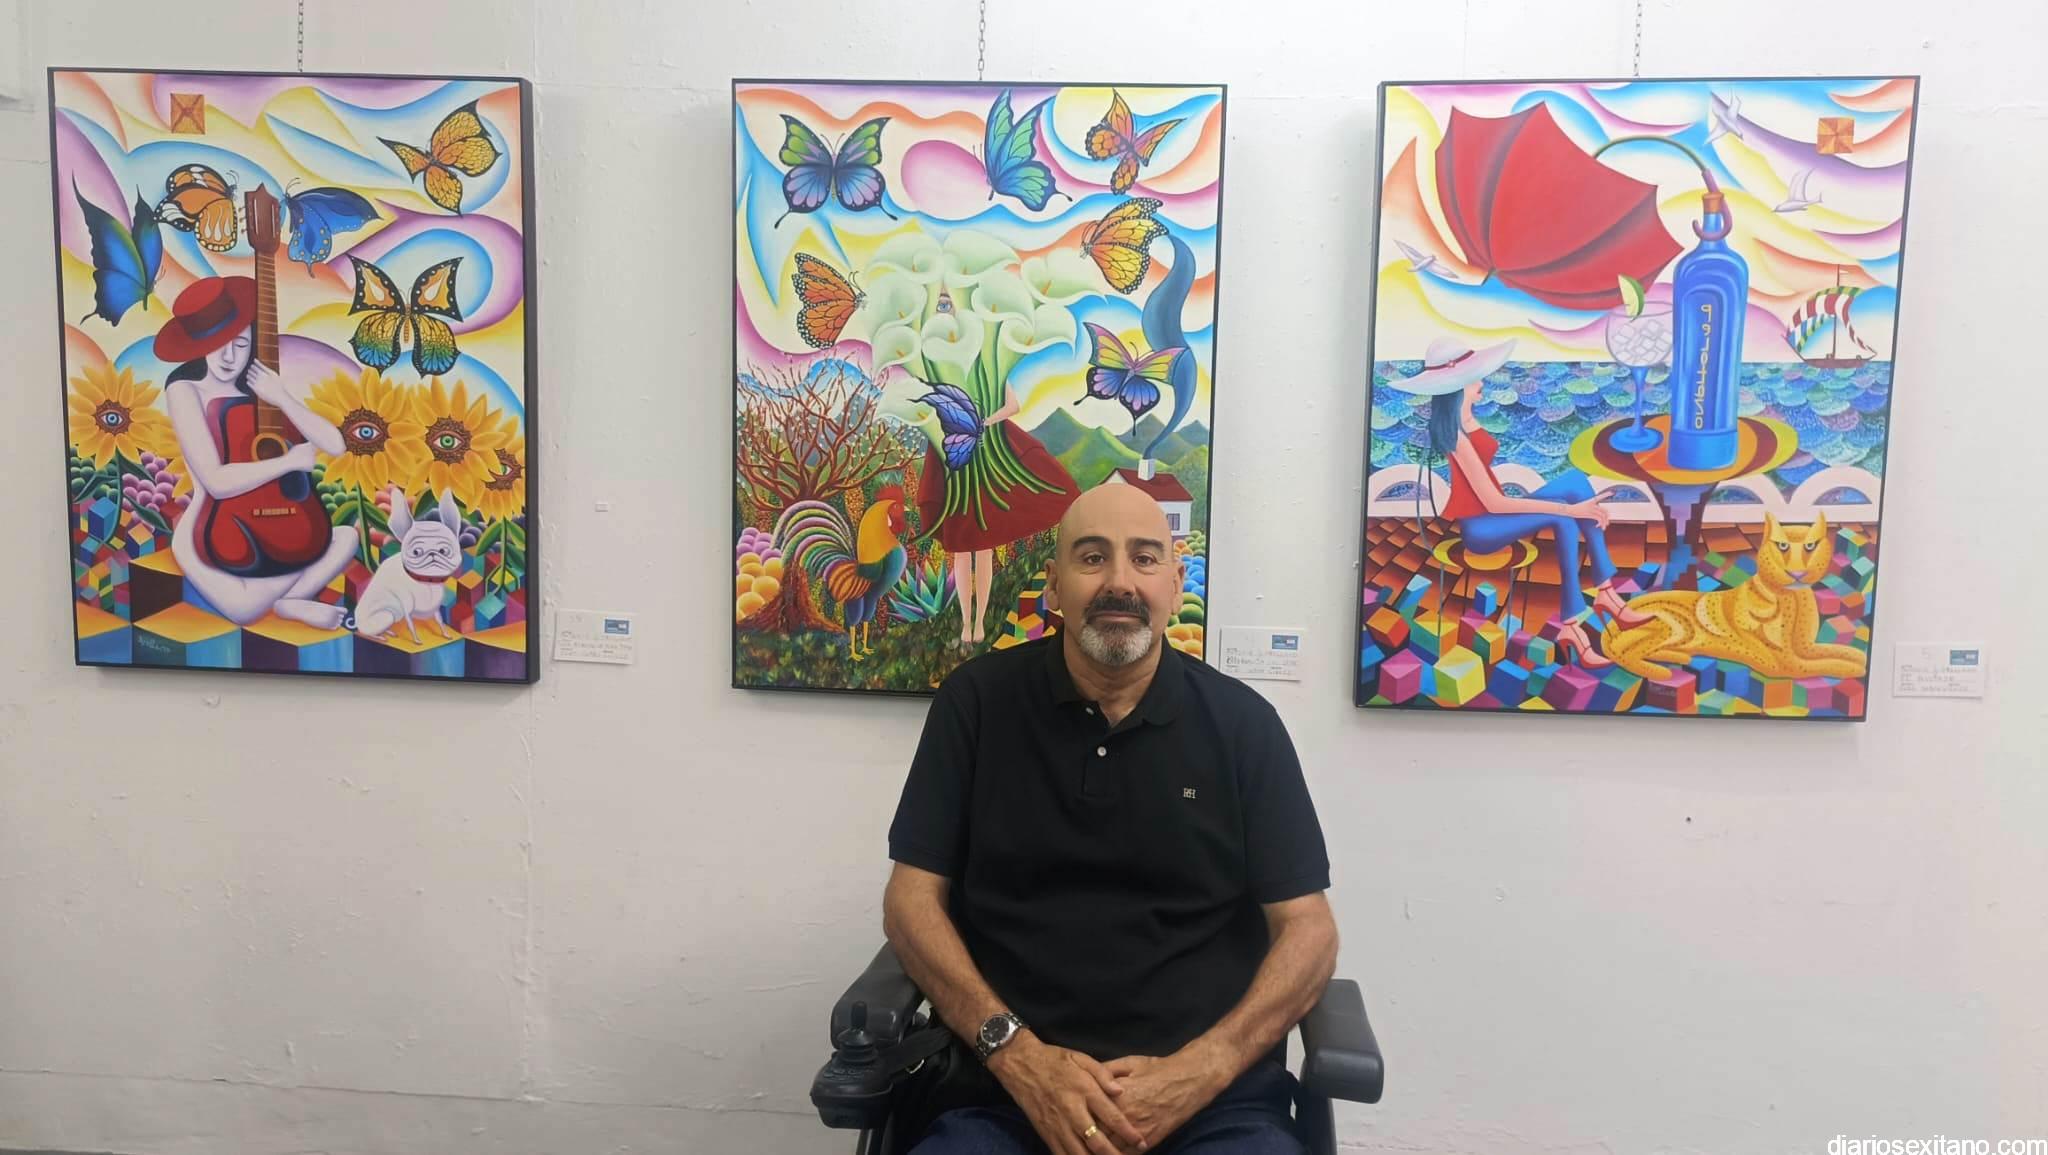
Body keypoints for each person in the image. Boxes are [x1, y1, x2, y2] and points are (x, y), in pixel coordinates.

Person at [884, 483, 1338, 1154]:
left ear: (1175, 584)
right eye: (1092, 557)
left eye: (1145, 558)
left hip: (1212, 1104)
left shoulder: (1245, 726)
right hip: (1006, 1095)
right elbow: (910, 902)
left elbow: (1310, 929)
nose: (1119, 582)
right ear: (1054, 584)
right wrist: (1017, 1056)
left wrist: (1203, 1068)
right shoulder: (975, 705)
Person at [1393, 337, 1645, 668]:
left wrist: (1577, 508)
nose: (1482, 382)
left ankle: (1606, 591)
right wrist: (1571, 510)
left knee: (1574, 481)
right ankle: (1571, 622)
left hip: (1492, 516)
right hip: (1482, 530)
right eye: (1475, 378)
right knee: (1563, 517)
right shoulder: (1455, 436)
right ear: (1458, 386)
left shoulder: (1465, 421)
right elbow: (1494, 503)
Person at [157, 276, 359, 628]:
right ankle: (289, 593)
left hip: (280, 525)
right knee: (244, 610)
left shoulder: (261, 387)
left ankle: (291, 602)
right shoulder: (185, 390)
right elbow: (216, 481)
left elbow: (335, 444)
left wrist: (282, 397)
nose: (229, 357)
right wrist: (288, 462)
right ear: (199, 346)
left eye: (240, 344)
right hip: (213, 529)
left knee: (346, 538)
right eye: (217, 345)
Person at [917, 375, 1078, 653]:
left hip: (985, 458)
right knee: (962, 550)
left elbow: (1012, 406)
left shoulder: (988, 369)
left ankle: (979, 621)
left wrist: (985, 423)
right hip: (956, 458)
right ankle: (966, 622)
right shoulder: (945, 372)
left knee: (983, 548)